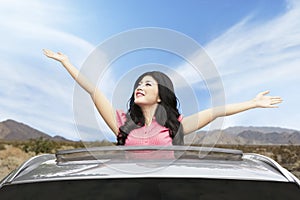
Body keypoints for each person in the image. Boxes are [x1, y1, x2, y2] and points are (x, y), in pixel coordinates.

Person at [43, 49, 283, 146]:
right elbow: (93, 90)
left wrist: (253, 103)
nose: (140, 86)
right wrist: (67, 63)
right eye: (138, 83)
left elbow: (215, 111)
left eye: (148, 84)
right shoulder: (121, 123)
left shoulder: (174, 127)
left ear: (160, 96)